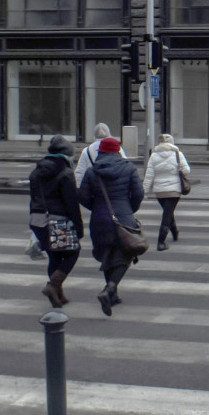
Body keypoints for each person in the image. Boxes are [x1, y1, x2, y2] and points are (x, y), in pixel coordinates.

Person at [78, 136, 144, 317]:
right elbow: (138, 194)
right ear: (117, 151)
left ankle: (112, 296)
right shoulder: (129, 168)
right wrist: (129, 210)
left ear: (101, 152)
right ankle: (109, 289)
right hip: (123, 216)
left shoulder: (92, 171)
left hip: (99, 218)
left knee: (107, 255)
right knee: (126, 254)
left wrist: (97, 208)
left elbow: (82, 196)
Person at [29, 136, 83, 308]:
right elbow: (72, 204)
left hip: (38, 220)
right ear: (67, 154)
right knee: (72, 252)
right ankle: (53, 286)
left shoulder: (37, 171)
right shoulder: (66, 173)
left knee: (54, 255)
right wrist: (79, 227)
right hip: (58, 220)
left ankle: (58, 295)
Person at [142, 133, 190, 251]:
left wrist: (144, 190)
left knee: (168, 212)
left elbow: (149, 175)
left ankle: (175, 232)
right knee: (167, 214)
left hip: (160, 192)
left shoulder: (154, 156)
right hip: (174, 190)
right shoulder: (178, 154)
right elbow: (187, 171)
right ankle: (161, 242)